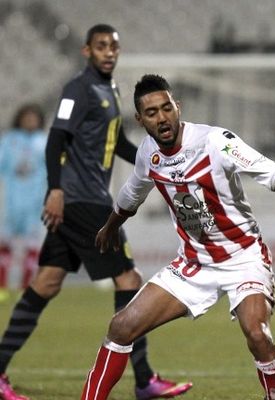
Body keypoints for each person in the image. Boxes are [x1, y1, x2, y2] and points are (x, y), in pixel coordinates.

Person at [80, 74, 275, 400]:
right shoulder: (148, 154)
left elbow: (273, 173)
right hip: (194, 263)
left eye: (167, 108)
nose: (162, 117)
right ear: (140, 119)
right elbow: (131, 193)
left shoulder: (215, 141)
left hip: (243, 258)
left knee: (257, 333)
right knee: (120, 328)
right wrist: (111, 225)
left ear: (177, 107)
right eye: (151, 113)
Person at [0, 25, 192, 400]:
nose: (108, 53)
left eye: (113, 47)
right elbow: (57, 137)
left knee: (46, 283)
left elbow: (116, 141)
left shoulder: (111, 89)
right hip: (82, 201)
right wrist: (55, 189)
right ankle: (144, 379)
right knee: (128, 279)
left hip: (81, 200)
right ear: (87, 51)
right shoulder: (79, 88)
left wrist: (153, 164)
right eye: (101, 47)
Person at [0, 104, 47, 297]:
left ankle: (25, 287)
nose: (30, 121)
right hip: (10, 201)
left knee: (31, 246)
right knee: (5, 245)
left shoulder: (43, 141)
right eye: (26, 118)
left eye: (33, 118)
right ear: (19, 119)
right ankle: (2, 286)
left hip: (34, 201)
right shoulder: (9, 140)